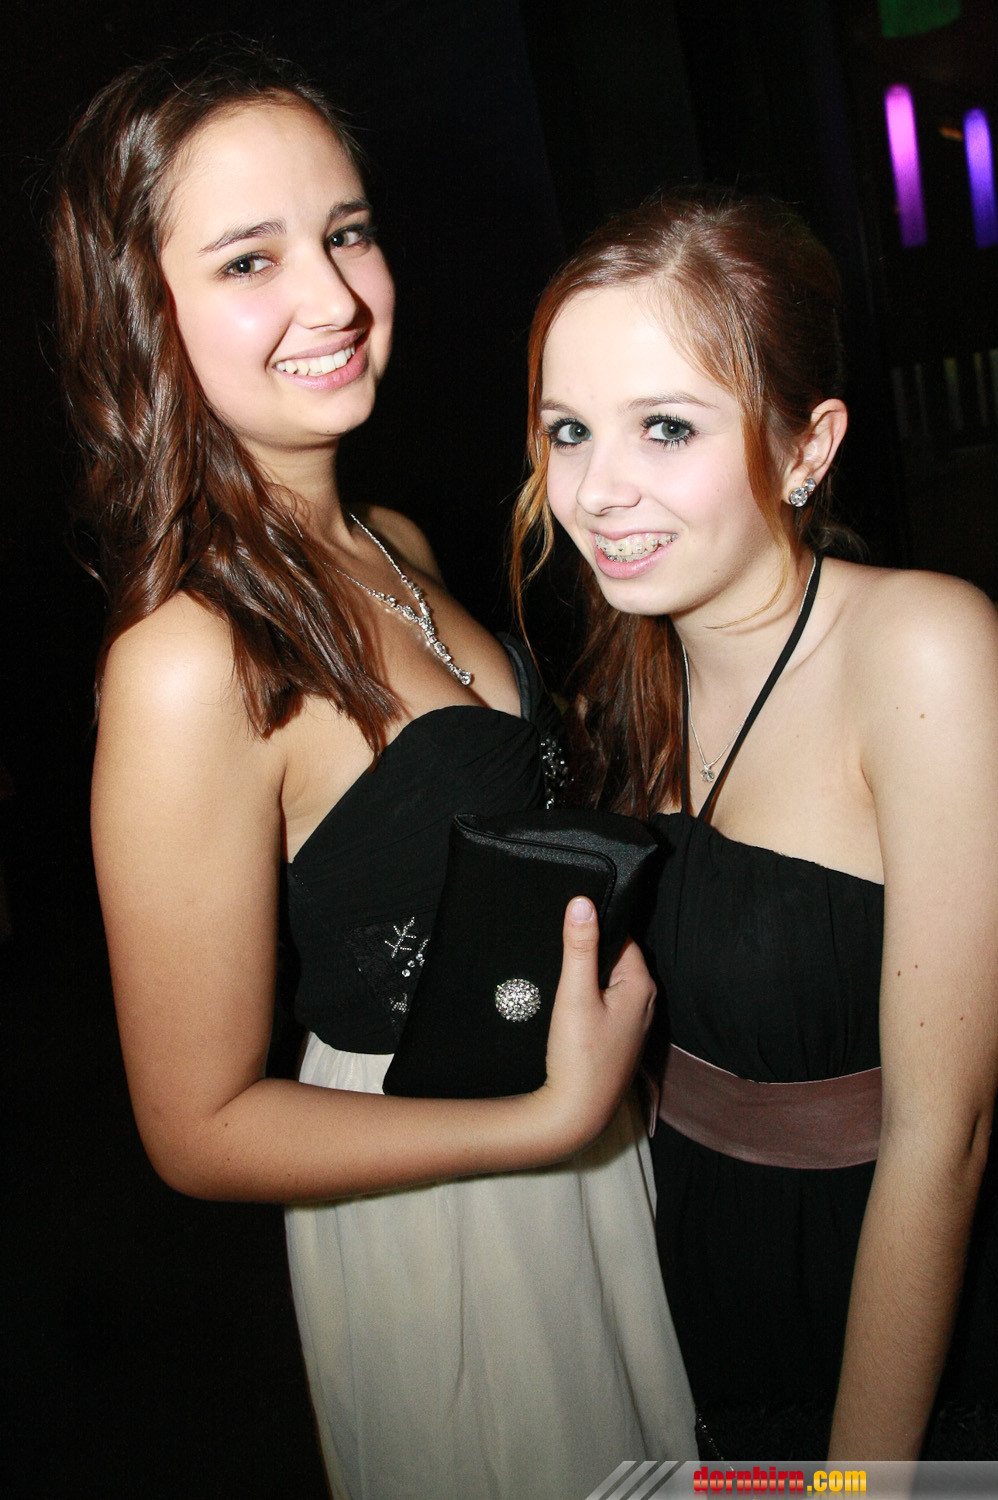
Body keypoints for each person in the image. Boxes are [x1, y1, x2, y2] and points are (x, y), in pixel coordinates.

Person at [49, 42, 696, 1500]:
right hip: (455, 1224)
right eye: (248, 260)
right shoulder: (186, 658)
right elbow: (197, 1128)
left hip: (577, 1148)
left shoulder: (389, 540)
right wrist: (538, 1125)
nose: (334, 297)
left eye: (345, 232)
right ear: (141, 309)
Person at [512, 191, 998, 1460]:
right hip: (698, 1274)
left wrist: (858, 1481)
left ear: (805, 447)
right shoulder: (622, 678)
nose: (596, 491)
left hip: (882, 1296)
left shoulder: (922, 649)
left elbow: (942, 1135)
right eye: (568, 430)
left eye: (665, 427)